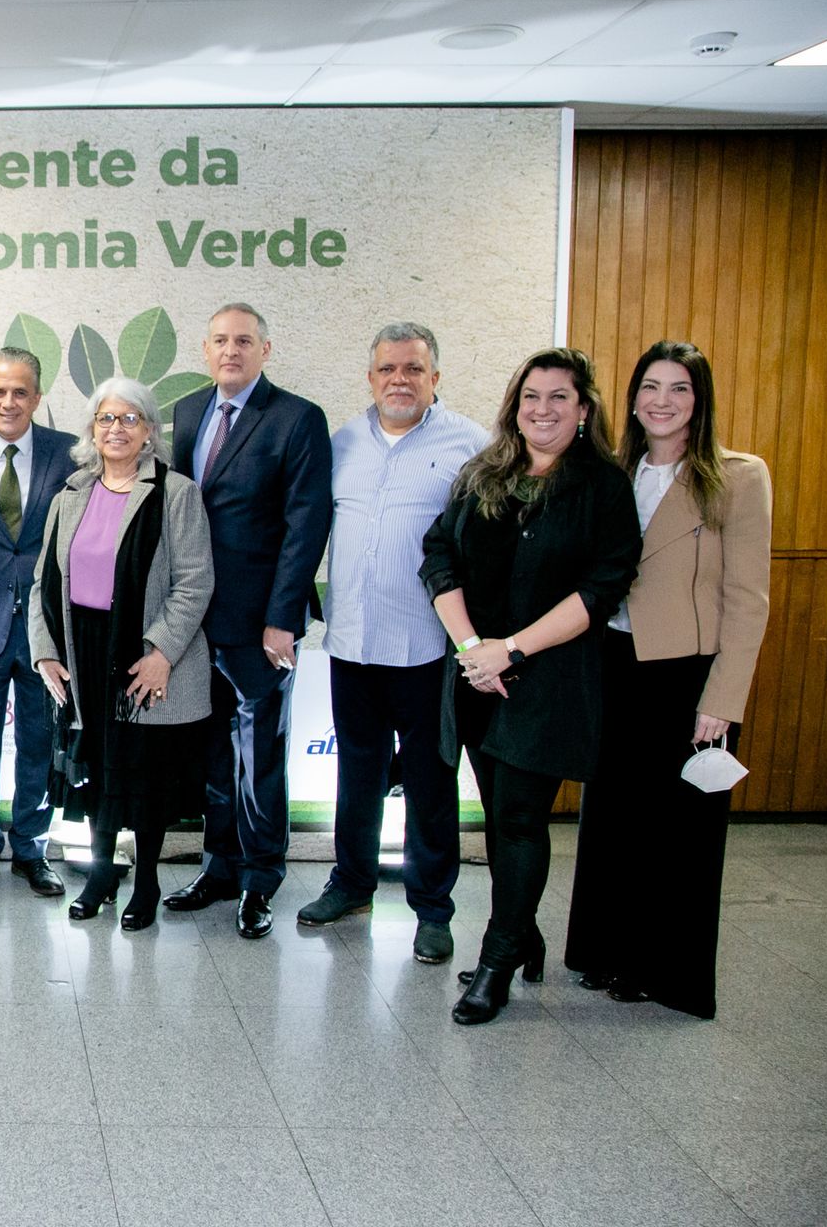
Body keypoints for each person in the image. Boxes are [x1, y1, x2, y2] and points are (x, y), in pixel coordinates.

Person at [420, 347, 640, 1026]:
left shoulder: (602, 486)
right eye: (530, 398)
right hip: (479, 677)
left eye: (558, 398)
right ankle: (526, 934)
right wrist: (470, 650)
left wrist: (509, 649)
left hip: (549, 679)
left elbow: (603, 586)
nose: (542, 410)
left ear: (583, 410)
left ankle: (497, 961)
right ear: (515, 407)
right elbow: (438, 555)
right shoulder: (484, 473)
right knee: (499, 814)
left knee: (519, 817)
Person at [565, 341, 772, 1018]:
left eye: (679, 388)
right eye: (650, 386)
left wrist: (723, 699)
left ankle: (666, 972)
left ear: (699, 400)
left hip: (689, 675)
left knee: (680, 832)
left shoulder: (738, 477)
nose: (662, 400)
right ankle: (604, 953)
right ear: (630, 399)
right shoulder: (612, 471)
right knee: (613, 818)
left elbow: (747, 598)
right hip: (613, 664)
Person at [297, 324, 487, 964]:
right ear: (370, 377)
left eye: (413, 369)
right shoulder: (342, 443)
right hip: (352, 644)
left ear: (436, 377)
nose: (399, 380)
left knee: (432, 784)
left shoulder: (471, 446)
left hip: (430, 651)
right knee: (357, 775)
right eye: (387, 369)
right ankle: (351, 883)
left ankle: (432, 907)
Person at [164, 303, 332, 939]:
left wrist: (282, 618)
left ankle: (262, 879)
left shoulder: (296, 418)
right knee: (211, 752)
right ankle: (219, 867)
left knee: (259, 753)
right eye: (219, 341)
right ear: (204, 351)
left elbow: (305, 523)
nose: (230, 351)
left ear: (267, 349)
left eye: (243, 341)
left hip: (260, 624)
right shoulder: (186, 412)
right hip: (194, 620)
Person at [30, 379, 213, 928]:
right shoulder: (70, 495)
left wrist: (162, 652)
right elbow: (44, 581)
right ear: (92, 430)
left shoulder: (175, 493)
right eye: (106, 419)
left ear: (150, 432)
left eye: (130, 419)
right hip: (83, 651)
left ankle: (149, 882)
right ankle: (103, 872)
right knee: (97, 773)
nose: (116, 428)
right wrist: (44, 654)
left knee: (146, 776)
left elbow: (196, 582)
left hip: (142, 654)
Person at [0, 347, 75, 899]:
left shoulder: (67, 452)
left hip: (46, 628)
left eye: (20, 391)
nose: (9, 401)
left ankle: (31, 847)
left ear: (37, 397)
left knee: (38, 738)